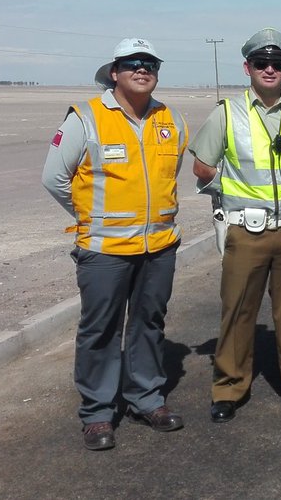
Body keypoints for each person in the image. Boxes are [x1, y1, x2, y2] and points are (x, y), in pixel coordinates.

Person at [42, 38, 188, 451]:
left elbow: (171, 172)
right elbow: (54, 178)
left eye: (150, 63)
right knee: (101, 330)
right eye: (131, 63)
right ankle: (98, 414)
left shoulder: (171, 119)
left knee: (149, 324)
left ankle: (147, 399)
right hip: (104, 251)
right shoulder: (85, 117)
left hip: (158, 247)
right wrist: (89, 216)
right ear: (114, 72)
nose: (142, 70)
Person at [190, 28, 281, 423]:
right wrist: (231, 192)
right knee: (237, 310)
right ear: (247, 67)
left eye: (276, 64)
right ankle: (230, 387)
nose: (268, 70)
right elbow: (202, 166)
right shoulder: (226, 113)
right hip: (247, 231)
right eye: (260, 63)